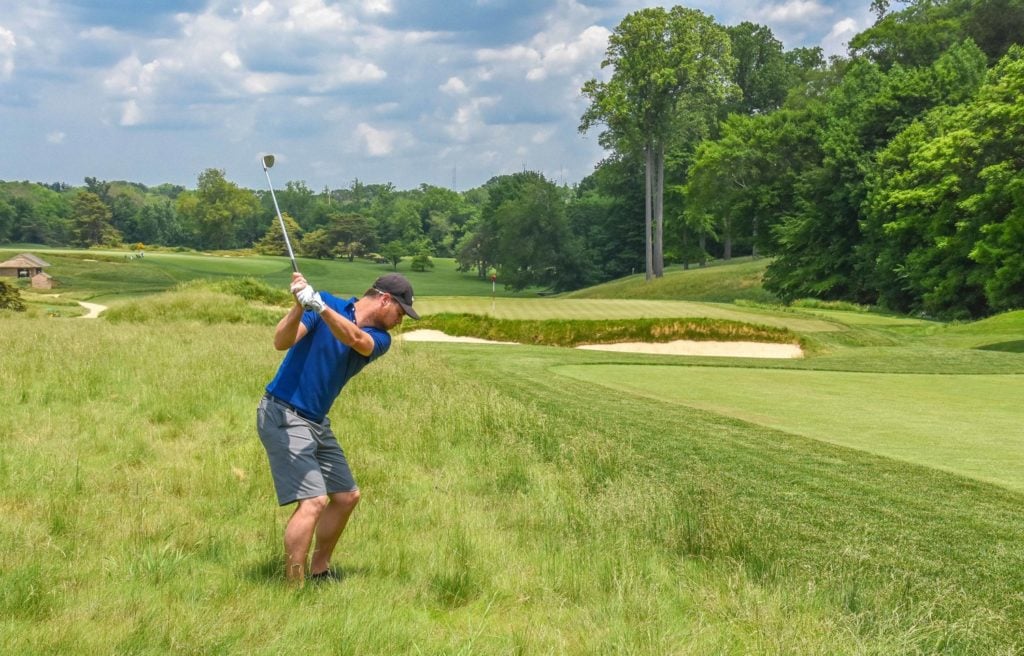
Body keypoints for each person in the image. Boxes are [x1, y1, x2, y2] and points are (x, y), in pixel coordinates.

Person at [257, 271, 419, 583]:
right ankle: (294, 586)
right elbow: (281, 341)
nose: (400, 321)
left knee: (346, 496)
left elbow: (355, 338)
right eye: (400, 312)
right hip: (282, 413)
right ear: (385, 299)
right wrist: (298, 304)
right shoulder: (324, 304)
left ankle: (319, 570)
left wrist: (317, 306)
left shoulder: (380, 339)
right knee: (314, 500)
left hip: (315, 421)